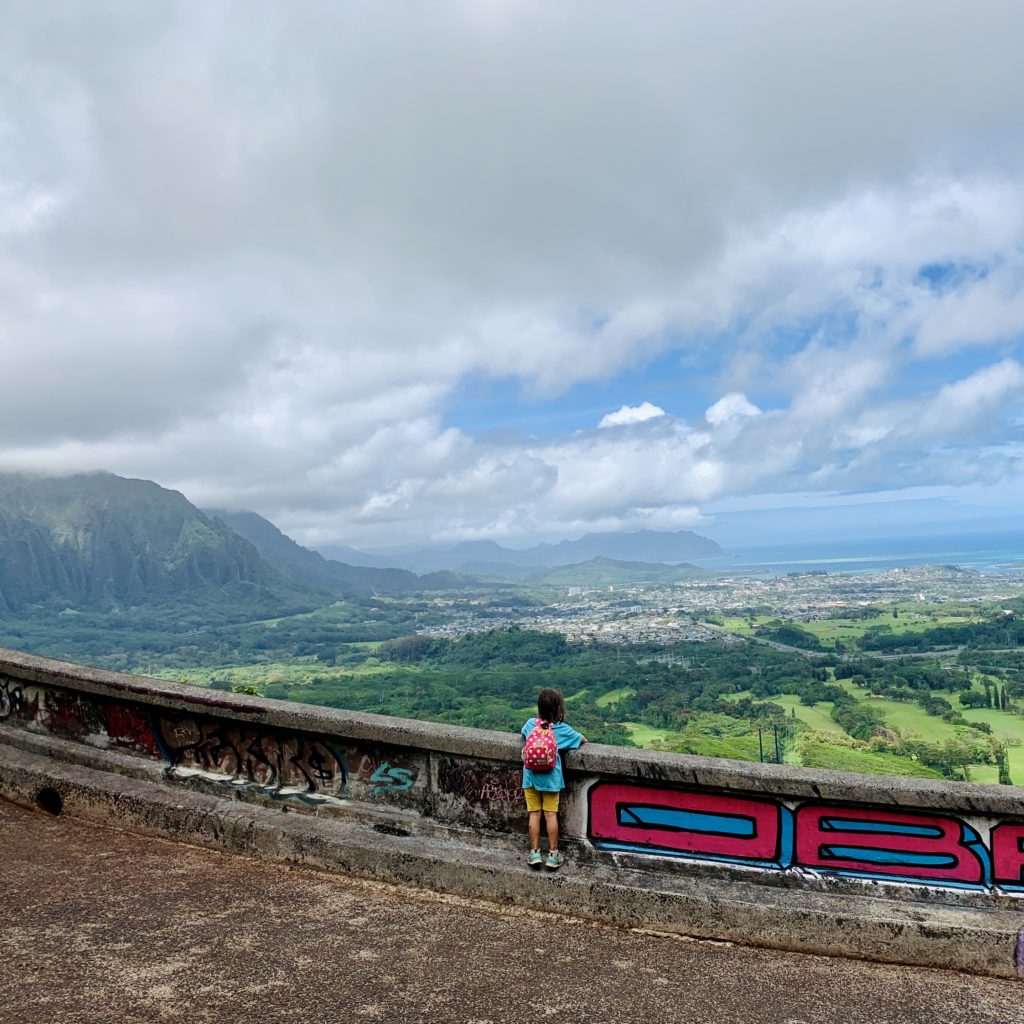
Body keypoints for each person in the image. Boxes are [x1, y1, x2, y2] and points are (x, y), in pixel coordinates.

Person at [520, 687, 586, 871]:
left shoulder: (530, 724)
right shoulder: (562, 730)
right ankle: (553, 855)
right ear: (558, 708)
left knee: (534, 814)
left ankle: (534, 853)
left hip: (530, 777)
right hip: (551, 780)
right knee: (550, 815)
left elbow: (523, 736)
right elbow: (582, 740)